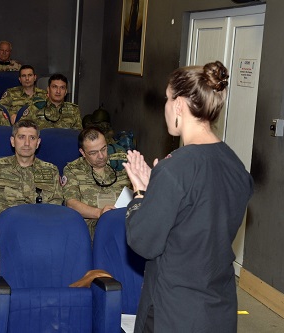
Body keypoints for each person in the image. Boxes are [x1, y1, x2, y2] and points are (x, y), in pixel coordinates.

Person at [122, 61, 254, 332]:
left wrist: (142, 194)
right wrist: (159, 189)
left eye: (167, 99)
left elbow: (144, 242)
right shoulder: (235, 165)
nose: (166, 107)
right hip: (218, 306)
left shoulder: (175, 168)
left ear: (179, 104)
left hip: (174, 309)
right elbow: (199, 220)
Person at [0, 119, 63, 217]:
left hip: (42, 224)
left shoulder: (51, 170)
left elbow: (56, 206)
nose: (27, 143)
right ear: (12, 141)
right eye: (21, 137)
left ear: (38, 142)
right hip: (9, 226)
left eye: (32, 138)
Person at [62, 127, 131, 239]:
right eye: (93, 153)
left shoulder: (120, 163)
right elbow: (71, 203)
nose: (101, 156)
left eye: (103, 149)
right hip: (93, 227)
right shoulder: (73, 169)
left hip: (125, 221)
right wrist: (100, 213)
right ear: (83, 152)